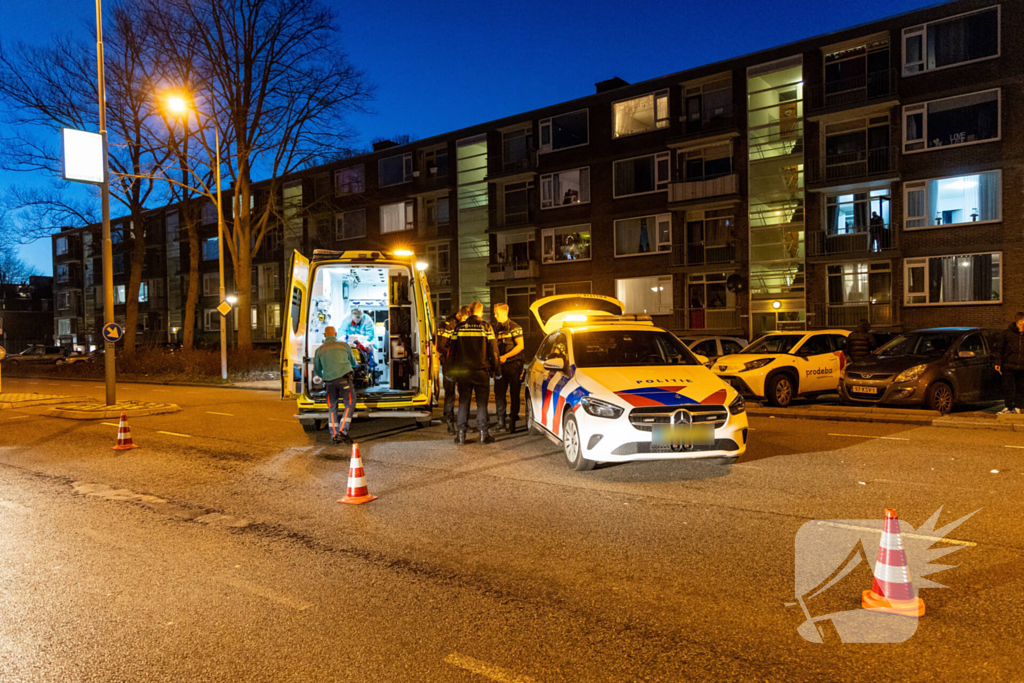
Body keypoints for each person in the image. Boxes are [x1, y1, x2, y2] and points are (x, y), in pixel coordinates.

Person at [447, 301, 499, 445]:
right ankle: (483, 435)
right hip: (481, 371)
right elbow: (494, 352)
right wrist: (497, 370)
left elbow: (452, 353)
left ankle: (461, 436)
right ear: (481, 312)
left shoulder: (458, 328)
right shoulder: (486, 327)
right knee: (482, 404)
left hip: (463, 372)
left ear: (469, 312)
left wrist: (449, 371)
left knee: (464, 402)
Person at [313, 326, 358, 446]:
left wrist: (325, 374)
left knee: (332, 407)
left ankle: (334, 434)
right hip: (344, 379)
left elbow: (317, 369)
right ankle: (343, 430)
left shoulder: (319, 350)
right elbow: (353, 362)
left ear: (324, 335)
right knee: (349, 403)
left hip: (329, 382)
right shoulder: (343, 345)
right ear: (336, 334)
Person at [492, 303, 525, 434]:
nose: (495, 316)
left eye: (497, 313)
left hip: (513, 365)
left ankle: (512, 423)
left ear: (505, 313)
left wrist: (505, 356)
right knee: (499, 394)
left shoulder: (515, 327)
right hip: (500, 366)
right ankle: (501, 422)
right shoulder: (496, 328)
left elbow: (520, 346)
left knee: (514, 394)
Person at [437, 305, 471, 434]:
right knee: (450, 394)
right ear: (460, 315)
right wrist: (454, 354)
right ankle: (450, 423)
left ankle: (464, 424)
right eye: (465, 318)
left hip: (462, 364)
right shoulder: (447, 325)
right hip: (449, 364)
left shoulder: (463, 325)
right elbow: (440, 346)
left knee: (464, 393)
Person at [994, 312, 1024, 414]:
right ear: (1018, 322)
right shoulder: (1007, 334)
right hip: (1009, 365)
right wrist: (998, 363)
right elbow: (999, 349)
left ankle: (1018, 406)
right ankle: (1008, 406)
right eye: (1022, 322)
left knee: (1021, 387)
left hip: (1022, 366)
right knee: (1008, 387)